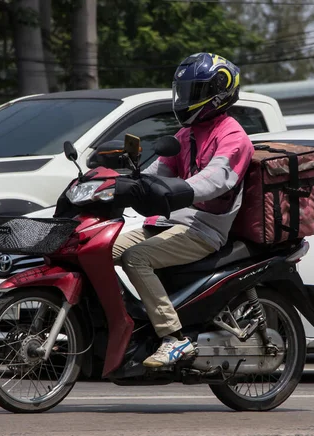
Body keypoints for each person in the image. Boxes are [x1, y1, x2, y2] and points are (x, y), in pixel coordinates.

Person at [112, 52, 255, 368]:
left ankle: (174, 339)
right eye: (184, 92)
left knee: (136, 258)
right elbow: (156, 172)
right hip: (168, 224)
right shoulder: (187, 134)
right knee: (102, 248)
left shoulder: (232, 135)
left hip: (204, 229)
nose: (185, 99)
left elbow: (216, 179)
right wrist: (114, 183)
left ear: (218, 92)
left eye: (194, 92)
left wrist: (180, 191)